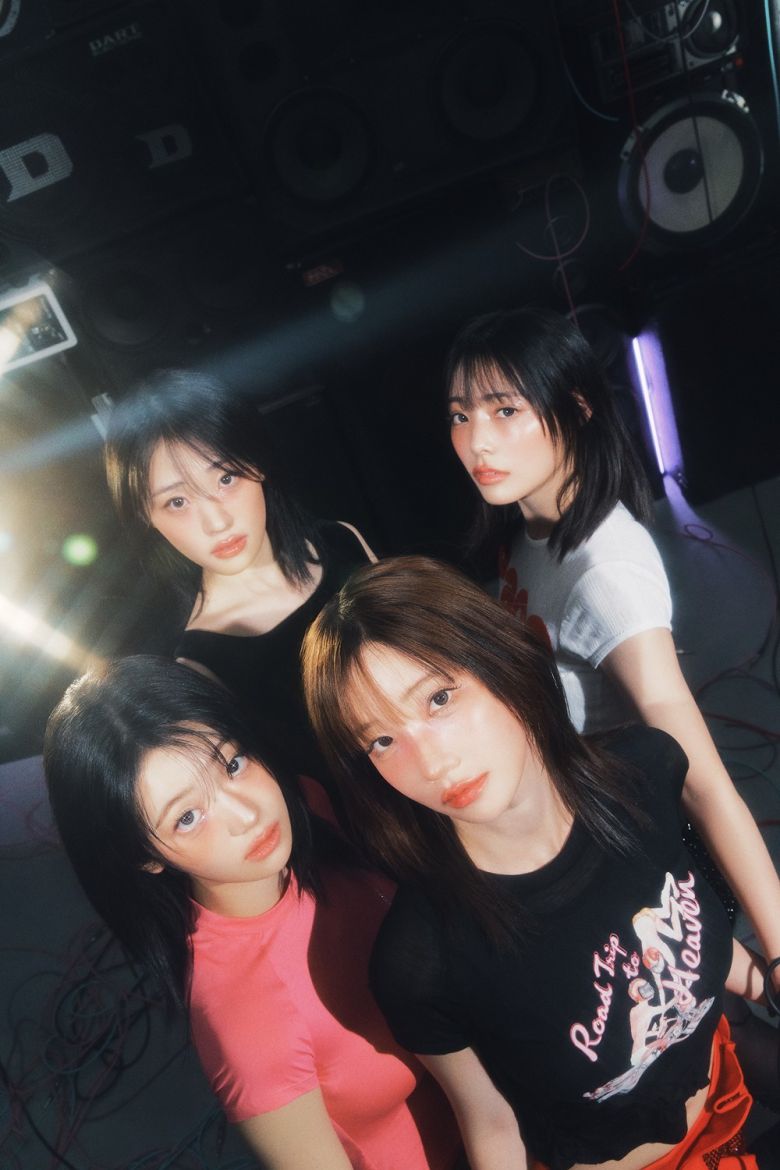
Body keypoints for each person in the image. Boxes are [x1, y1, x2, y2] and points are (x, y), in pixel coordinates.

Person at [301, 555, 771, 1170]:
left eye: (438, 699)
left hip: (725, 1103)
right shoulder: (423, 960)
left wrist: (766, 975)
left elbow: (681, 924)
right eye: (382, 741)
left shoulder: (645, 773)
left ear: (501, 662)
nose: (432, 763)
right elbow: (491, 1123)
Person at [443, 307, 780, 1098]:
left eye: (505, 410)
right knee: (708, 1041)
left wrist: (778, 937)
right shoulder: (531, 528)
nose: (477, 441)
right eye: (460, 415)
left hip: (642, 857)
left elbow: (699, 776)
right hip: (601, 843)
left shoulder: (606, 575)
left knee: (710, 1042)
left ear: (577, 408)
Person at [43, 655, 460, 1170]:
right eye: (188, 817)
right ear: (144, 857)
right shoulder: (244, 1021)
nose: (247, 815)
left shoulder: (309, 805)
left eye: (232, 764)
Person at [104, 368, 375, 783]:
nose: (217, 522)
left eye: (226, 478)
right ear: (147, 517)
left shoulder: (342, 541)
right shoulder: (200, 666)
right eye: (177, 502)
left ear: (257, 462)